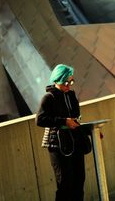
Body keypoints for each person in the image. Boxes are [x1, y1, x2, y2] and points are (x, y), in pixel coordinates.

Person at [36, 64, 85, 201]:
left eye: (71, 81)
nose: (69, 85)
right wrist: (63, 121)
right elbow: (40, 120)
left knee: (79, 180)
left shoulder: (71, 95)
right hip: (58, 144)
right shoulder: (49, 97)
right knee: (64, 184)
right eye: (66, 82)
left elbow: (75, 115)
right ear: (57, 80)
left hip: (74, 141)